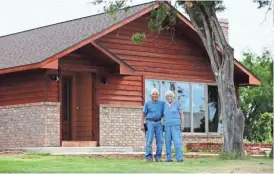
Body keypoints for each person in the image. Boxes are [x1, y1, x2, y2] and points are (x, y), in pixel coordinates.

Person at [141, 88, 165, 162]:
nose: (155, 95)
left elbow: (165, 112)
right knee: (149, 140)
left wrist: (159, 118)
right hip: (149, 123)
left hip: (158, 123)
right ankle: (148, 157)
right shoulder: (147, 103)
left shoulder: (162, 103)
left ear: (158, 95)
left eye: (156, 94)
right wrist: (142, 124)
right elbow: (143, 114)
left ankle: (158, 157)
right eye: (153, 94)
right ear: (150, 95)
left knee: (160, 141)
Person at [163, 90, 184, 162]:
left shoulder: (177, 104)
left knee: (177, 142)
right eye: (167, 96)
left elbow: (182, 114)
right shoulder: (164, 105)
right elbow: (162, 115)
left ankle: (180, 158)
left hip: (176, 125)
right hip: (167, 126)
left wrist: (182, 124)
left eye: (170, 96)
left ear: (173, 97)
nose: (169, 97)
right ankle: (169, 158)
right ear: (166, 97)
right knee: (167, 142)